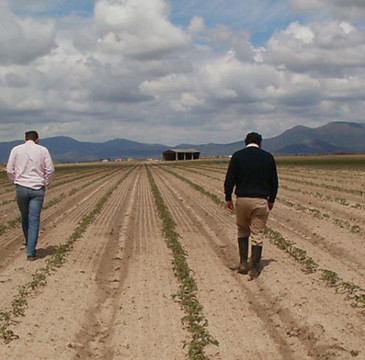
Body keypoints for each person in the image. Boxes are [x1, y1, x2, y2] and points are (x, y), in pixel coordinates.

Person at [224, 132, 278, 280]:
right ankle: (254, 268)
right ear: (260, 143)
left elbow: (229, 179)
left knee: (242, 230)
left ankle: (242, 263)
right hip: (260, 200)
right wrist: (271, 199)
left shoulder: (237, 156)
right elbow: (274, 181)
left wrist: (228, 197)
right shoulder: (268, 157)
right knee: (257, 234)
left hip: (242, 199)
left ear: (245, 142)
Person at [6, 131, 54, 261]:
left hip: (21, 188)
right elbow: (50, 169)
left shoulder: (16, 150)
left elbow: (9, 170)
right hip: (37, 188)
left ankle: (29, 242)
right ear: (37, 140)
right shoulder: (43, 150)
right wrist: (45, 181)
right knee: (34, 219)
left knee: (24, 216)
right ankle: (31, 252)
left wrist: (16, 180)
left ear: (25, 139)